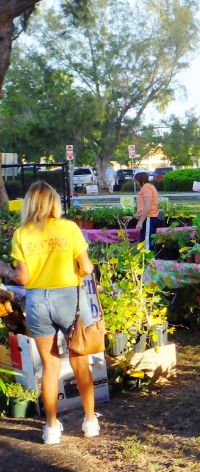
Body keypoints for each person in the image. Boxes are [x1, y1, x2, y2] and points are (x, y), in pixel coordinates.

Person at [0, 181, 99, 444]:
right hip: (69, 297)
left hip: (37, 301)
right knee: (80, 360)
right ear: (54, 202)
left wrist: (4, 270)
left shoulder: (22, 234)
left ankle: (52, 427)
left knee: (49, 366)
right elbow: (87, 268)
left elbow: (22, 278)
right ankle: (90, 421)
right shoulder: (69, 228)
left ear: (30, 203)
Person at [134, 171, 160, 250]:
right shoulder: (149, 186)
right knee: (146, 239)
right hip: (148, 217)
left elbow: (148, 206)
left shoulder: (146, 187)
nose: (136, 184)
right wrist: (136, 215)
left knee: (147, 241)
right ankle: (145, 259)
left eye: (136, 181)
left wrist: (140, 222)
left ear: (140, 180)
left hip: (148, 217)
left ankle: (148, 260)